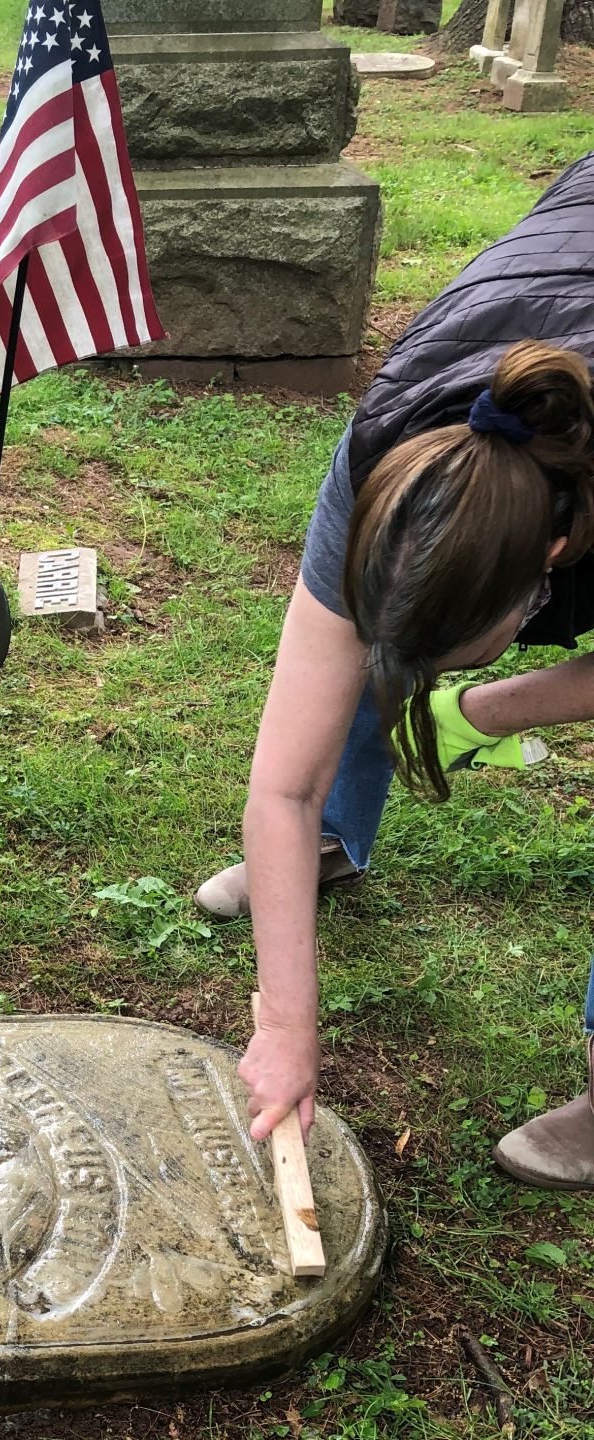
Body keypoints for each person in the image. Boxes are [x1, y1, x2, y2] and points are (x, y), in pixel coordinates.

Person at [194, 155, 594, 1189]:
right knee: (356, 684)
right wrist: (285, 1021)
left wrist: (489, 706)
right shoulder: (393, 453)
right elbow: (279, 778)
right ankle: (341, 840)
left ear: (547, 570)